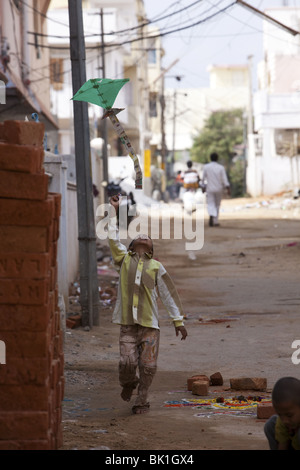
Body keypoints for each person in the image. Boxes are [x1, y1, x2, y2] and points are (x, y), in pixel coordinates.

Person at [107, 195, 188, 415]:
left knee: (148, 367)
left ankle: (141, 401)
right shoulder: (123, 260)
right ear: (131, 246)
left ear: (151, 250)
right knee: (126, 363)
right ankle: (128, 384)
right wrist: (114, 211)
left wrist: (178, 321)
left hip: (150, 326)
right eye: (138, 236)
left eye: (147, 237)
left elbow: (168, 295)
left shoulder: (156, 267)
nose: (143, 236)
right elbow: (113, 238)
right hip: (128, 324)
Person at [264, 377, 300, 450]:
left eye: (289, 415)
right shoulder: (283, 422)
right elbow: (283, 444)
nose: (284, 420)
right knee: (270, 424)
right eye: (280, 415)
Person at [201, 152, 231, 227]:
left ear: (210, 158)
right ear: (217, 159)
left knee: (210, 203)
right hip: (219, 188)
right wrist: (227, 188)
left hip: (209, 188)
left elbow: (203, 179)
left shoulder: (206, 167)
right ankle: (215, 221)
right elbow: (224, 179)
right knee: (217, 205)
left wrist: (203, 187)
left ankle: (211, 214)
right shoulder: (221, 167)